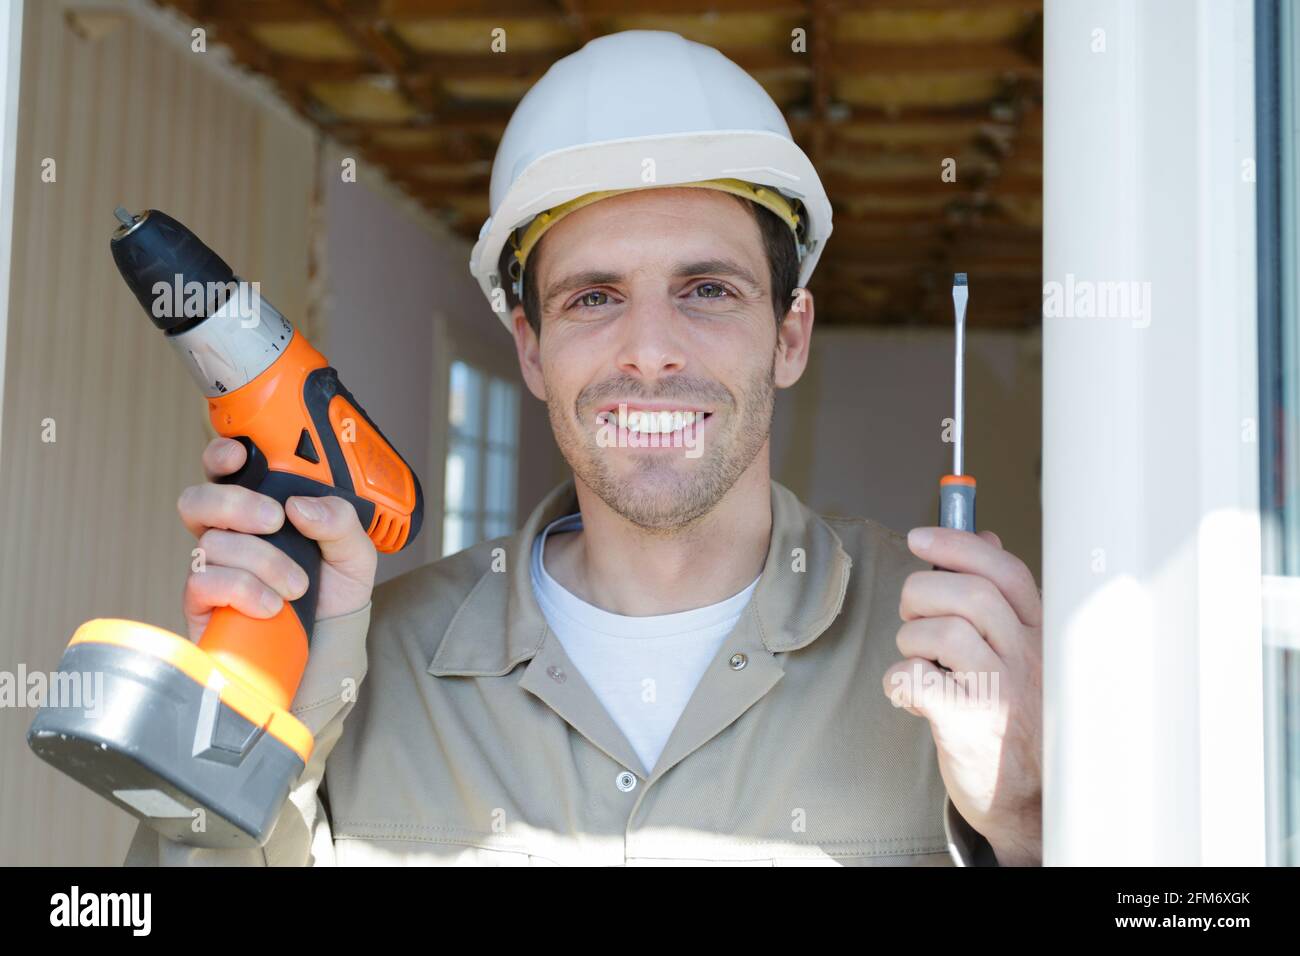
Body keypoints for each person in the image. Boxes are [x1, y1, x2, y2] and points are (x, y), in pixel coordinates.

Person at [126, 30, 1042, 866]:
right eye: (594, 297)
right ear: (530, 348)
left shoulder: (956, 659)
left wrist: (1032, 819)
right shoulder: (360, 667)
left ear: (790, 335)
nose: (649, 349)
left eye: (709, 290)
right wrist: (255, 709)